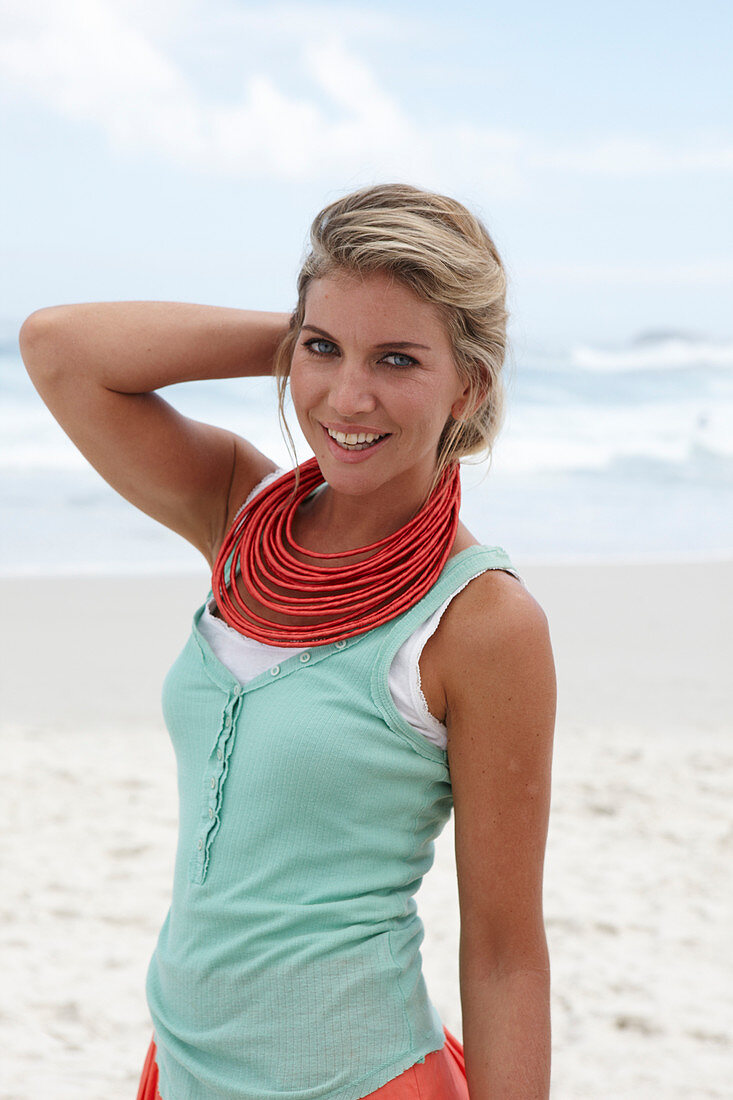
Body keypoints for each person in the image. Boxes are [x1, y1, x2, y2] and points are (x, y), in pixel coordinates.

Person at [20, 183, 556, 1100]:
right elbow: (60, 350)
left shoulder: (482, 623)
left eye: (397, 358)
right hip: (183, 1068)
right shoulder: (238, 511)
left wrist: (337, 326)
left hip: (356, 1080)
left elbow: (505, 952)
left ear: (468, 382)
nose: (348, 397)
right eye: (324, 352)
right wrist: (312, 325)